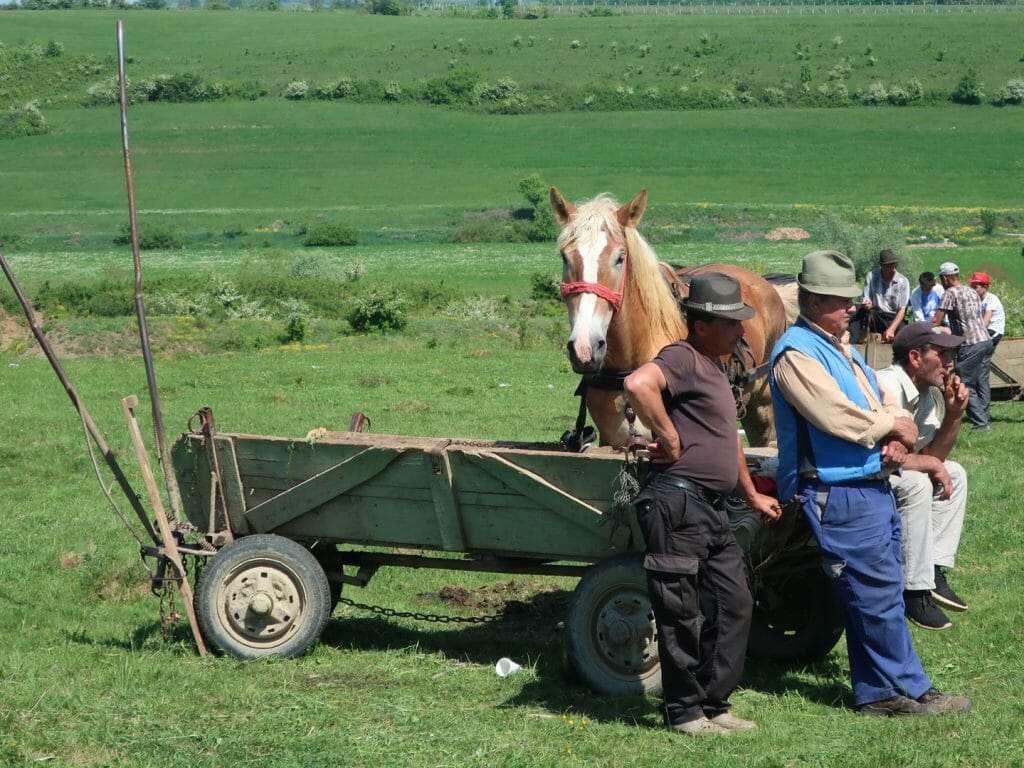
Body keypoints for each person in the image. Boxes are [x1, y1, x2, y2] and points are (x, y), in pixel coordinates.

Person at [769, 250, 970, 717]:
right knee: (875, 594)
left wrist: (893, 420)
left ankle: (880, 694)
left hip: (864, 485)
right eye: (843, 301)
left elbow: (884, 405)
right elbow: (839, 418)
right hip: (837, 489)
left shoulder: (838, 346)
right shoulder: (797, 353)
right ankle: (912, 690)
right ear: (814, 301)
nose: (854, 308)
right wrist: (890, 425)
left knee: (874, 592)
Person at [623, 273, 782, 737]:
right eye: (732, 324)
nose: (740, 333)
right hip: (677, 500)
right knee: (680, 611)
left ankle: (715, 703)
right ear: (701, 325)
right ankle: (685, 712)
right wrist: (669, 437)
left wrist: (750, 493)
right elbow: (637, 383)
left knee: (733, 602)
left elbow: (727, 436)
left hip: (711, 507)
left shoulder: (715, 367)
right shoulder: (682, 356)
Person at [875, 323, 971, 631]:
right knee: (916, 482)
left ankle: (933, 571)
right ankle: (914, 589)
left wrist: (954, 416)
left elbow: (932, 456)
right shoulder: (884, 385)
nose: (950, 363)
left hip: (890, 471)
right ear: (915, 358)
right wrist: (929, 465)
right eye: (942, 354)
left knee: (954, 471)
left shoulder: (928, 395)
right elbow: (884, 457)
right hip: (865, 473)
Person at [932, 262, 993, 431]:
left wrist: (924, 330)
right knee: (981, 382)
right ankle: (984, 417)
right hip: (986, 341)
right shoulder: (972, 291)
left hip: (970, 343)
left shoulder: (950, 293)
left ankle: (981, 423)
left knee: (963, 382)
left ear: (945, 278)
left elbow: (937, 320)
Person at [856, 249, 911, 343]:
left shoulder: (903, 281)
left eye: (894, 265)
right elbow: (866, 298)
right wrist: (867, 304)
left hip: (893, 317)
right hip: (876, 314)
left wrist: (892, 329)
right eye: (889, 266)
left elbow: (902, 309)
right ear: (882, 266)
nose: (893, 268)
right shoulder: (871, 276)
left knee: (905, 334)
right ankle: (854, 342)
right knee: (855, 313)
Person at [969, 271, 1005, 349]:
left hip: (993, 331)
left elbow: (985, 321)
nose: (972, 290)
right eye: (971, 287)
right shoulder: (976, 299)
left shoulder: (992, 299)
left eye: (975, 287)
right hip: (984, 330)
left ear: (985, 287)